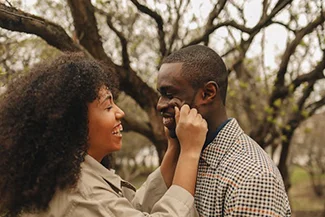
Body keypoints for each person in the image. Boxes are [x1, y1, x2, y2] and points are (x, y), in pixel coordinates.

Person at [0, 53, 207, 217]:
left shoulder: (71, 177)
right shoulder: (80, 194)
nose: (120, 113)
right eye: (108, 106)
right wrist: (189, 152)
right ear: (75, 123)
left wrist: (173, 149)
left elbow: (125, 209)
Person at [156, 45, 291, 217]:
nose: (159, 105)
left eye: (169, 94)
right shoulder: (187, 158)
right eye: (160, 95)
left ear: (207, 93)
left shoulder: (252, 178)